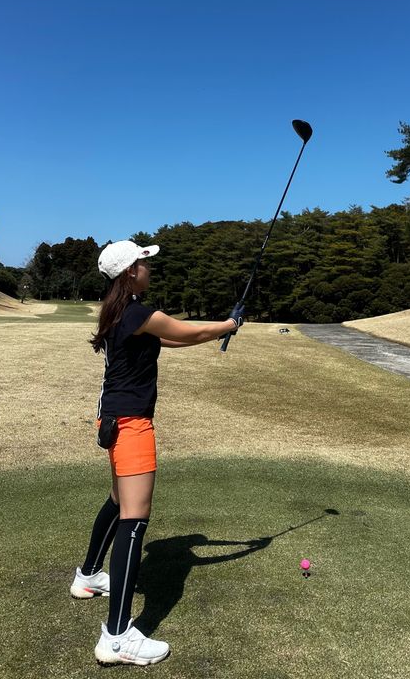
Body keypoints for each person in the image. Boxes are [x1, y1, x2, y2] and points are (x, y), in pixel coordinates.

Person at [70, 239, 244, 667]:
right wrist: (228, 324)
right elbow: (189, 330)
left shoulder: (122, 311)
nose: (150, 269)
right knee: (134, 520)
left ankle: (88, 577)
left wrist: (219, 330)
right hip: (131, 424)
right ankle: (116, 637)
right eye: (144, 263)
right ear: (130, 271)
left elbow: (171, 340)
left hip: (114, 420)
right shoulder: (137, 313)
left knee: (118, 502)